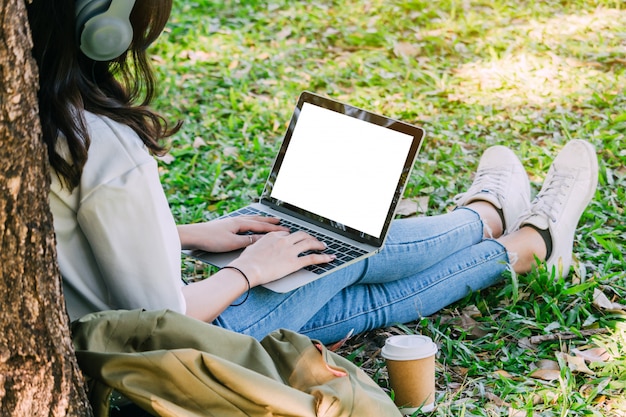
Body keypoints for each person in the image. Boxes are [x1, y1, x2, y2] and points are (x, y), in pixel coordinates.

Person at [28, 0, 599, 346]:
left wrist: (185, 235)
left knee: (345, 303)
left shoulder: (26, 116)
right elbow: (165, 318)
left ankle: (522, 243)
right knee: (346, 247)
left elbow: (66, 241)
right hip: (176, 346)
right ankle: (495, 220)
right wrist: (251, 271)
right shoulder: (100, 143)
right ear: (102, 29)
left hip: (97, 348)